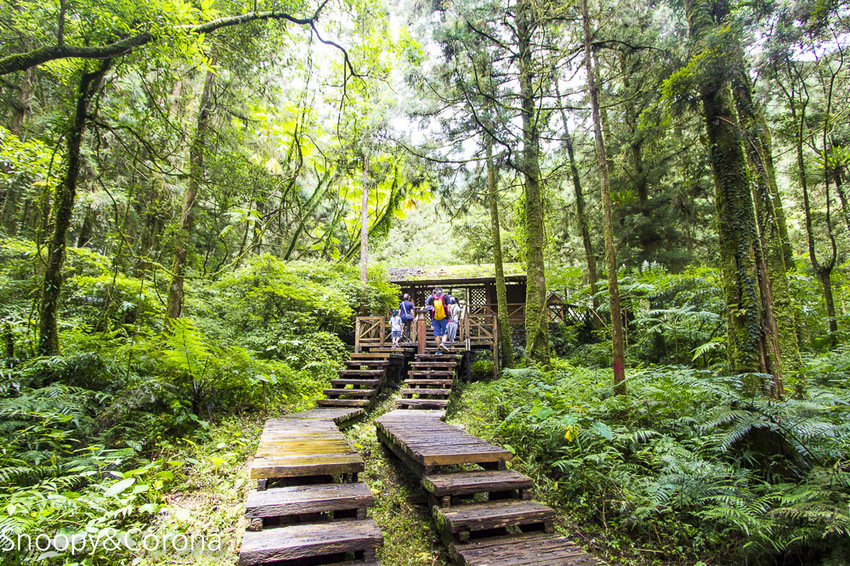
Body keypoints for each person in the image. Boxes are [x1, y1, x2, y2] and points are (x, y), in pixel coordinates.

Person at [425, 287, 452, 354]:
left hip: (435, 318)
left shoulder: (432, 297)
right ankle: (443, 343)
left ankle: (439, 350)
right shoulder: (445, 296)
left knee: (437, 334)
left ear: (436, 291)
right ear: (441, 291)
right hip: (444, 317)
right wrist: (451, 316)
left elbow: (428, 306)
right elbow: (449, 306)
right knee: (445, 332)